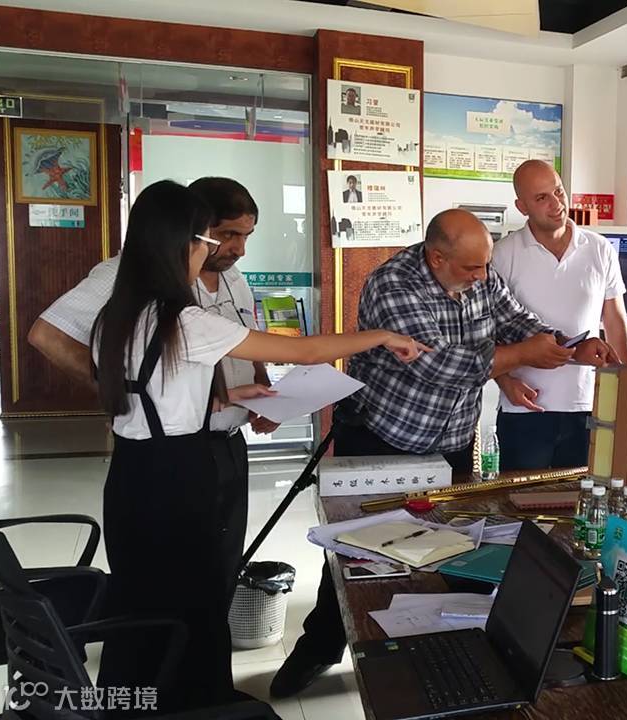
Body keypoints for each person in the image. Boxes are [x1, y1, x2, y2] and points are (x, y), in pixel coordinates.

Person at [91, 180, 424, 715]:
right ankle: (196, 703)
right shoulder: (185, 319)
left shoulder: (120, 313)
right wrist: (381, 336)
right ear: (182, 245)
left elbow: (150, 389)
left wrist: (228, 395)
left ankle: (142, 699)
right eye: (206, 241)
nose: (210, 254)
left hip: (133, 476)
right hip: (180, 479)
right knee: (196, 601)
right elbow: (304, 350)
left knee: (143, 598)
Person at [270, 208, 616, 697]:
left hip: (452, 441)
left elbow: (517, 321)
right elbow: (440, 366)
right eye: (472, 268)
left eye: (485, 267)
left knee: (447, 547)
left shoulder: (478, 274)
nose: (482, 277)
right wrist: (524, 355)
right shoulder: (393, 284)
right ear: (436, 258)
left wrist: (569, 345)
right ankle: (321, 647)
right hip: (385, 439)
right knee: (360, 554)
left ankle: (441, 651)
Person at [29, 176, 277, 607]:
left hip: (229, 443)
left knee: (219, 568)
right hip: (174, 451)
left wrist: (266, 390)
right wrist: (126, 394)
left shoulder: (232, 275)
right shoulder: (128, 274)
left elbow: (248, 335)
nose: (239, 249)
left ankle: (206, 647)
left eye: (246, 236)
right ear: (192, 228)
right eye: (227, 235)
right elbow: (47, 334)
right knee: (168, 584)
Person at [491, 159, 627, 470]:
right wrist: (505, 382)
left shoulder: (599, 248)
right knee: (521, 498)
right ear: (522, 206)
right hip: (525, 408)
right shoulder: (503, 255)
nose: (556, 204)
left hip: (588, 403)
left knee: (586, 494)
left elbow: (615, 322)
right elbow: (486, 332)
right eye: (541, 198)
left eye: (558, 191)